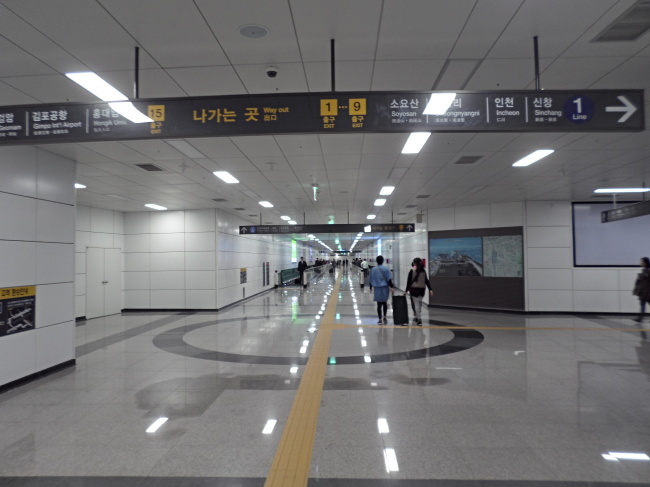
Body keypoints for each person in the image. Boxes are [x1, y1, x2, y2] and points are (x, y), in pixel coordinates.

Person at [405, 257, 434, 326]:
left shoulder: (412, 271)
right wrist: (430, 289)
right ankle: (417, 316)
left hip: (414, 289)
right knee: (419, 303)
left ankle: (419, 319)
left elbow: (409, 281)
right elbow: (426, 281)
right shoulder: (423, 271)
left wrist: (406, 290)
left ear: (414, 263)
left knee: (416, 304)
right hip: (422, 290)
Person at [369, 255, 393, 324]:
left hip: (377, 289)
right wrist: (391, 287)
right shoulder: (386, 269)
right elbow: (389, 279)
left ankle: (380, 319)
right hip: (385, 288)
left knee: (379, 304)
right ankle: (385, 317)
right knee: (384, 303)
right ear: (383, 261)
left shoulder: (373, 269)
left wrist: (370, 287)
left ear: (376, 261)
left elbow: (371, 279)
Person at [633, 257, 650, 323]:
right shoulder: (644, 270)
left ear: (645, 263)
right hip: (643, 291)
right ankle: (640, 318)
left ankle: (640, 319)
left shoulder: (648, 271)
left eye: (642, 262)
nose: (641, 263)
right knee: (642, 304)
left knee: (642, 304)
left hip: (646, 292)